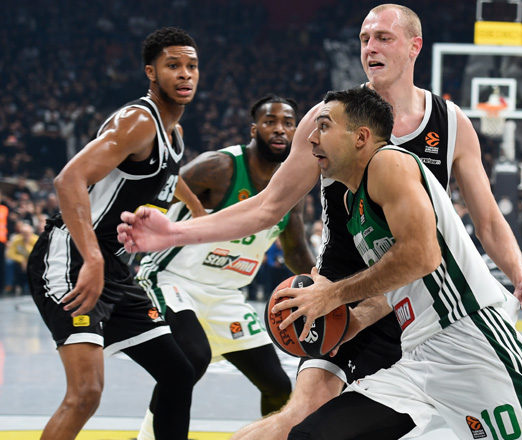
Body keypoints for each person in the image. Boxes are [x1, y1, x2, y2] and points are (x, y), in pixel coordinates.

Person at [117, 5, 522, 439]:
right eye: (364, 39)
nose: (370, 47)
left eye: (383, 37)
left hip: (420, 300)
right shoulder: (329, 120)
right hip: (342, 295)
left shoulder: (449, 122)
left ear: (414, 46)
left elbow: (487, 219)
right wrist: (175, 232)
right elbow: (269, 206)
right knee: (303, 417)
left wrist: (521, 276)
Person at [274, 86, 522, 440]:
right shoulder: (353, 203)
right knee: (312, 435)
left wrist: (333, 294)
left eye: (324, 126)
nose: (311, 138)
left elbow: (422, 256)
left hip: (470, 339)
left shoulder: (388, 163)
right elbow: (398, 279)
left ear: (360, 137)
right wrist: (356, 320)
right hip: (418, 356)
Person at [27, 27, 204, 440]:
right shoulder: (138, 121)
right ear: (151, 72)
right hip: (73, 255)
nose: (185, 74)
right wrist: (92, 259)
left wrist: (197, 210)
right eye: (173, 65)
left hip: (116, 268)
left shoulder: (174, 135)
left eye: (192, 66)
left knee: (178, 372)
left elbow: (167, 174)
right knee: (86, 393)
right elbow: (68, 179)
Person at [133, 95, 315, 439]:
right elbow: (158, 192)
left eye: (288, 123)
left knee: (278, 386)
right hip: (172, 280)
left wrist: (326, 285)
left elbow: (295, 251)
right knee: (192, 359)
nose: (280, 129)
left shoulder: (292, 186)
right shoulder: (219, 166)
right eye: (270, 122)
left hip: (226, 295)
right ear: (254, 129)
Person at [5, 221, 38, 295]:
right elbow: (10, 254)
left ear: (31, 233)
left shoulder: (35, 239)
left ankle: (31, 286)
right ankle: (9, 286)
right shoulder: (16, 240)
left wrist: (27, 245)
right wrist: (21, 259)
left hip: (32, 261)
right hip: (19, 262)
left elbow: (36, 254)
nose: (25, 235)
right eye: (23, 233)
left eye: (27, 233)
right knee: (9, 263)